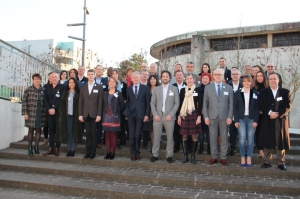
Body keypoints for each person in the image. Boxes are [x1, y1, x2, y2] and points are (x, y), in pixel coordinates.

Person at [258, 73, 291, 171]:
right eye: (270, 79)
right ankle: (267, 161)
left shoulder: (285, 92)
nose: (272, 80)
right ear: (268, 81)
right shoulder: (263, 92)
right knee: (268, 140)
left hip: (280, 120)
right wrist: (270, 112)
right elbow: (261, 104)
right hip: (267, 119)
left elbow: (288, 105)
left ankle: (281, 162)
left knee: (280, 141)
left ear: (278, 80)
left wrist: (278, 114)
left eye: (274, 79)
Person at [203, 69, 233, 166]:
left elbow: (231, 104)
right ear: (213, 75)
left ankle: (223, 158)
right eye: (216, 74)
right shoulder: (208, 88)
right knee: (212, 137)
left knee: (224, 137)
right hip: (212, 116)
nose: (218, 76)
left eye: (220, 74)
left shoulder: (228, 87)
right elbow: (205, 104)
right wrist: (206, 117)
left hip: (224, 117)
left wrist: (230, 117)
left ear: (223, 75)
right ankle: (214, 157)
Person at [150, 70, 179, 163]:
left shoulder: (174, 89)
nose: (165, 78)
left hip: (169, 117)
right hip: (158, 117)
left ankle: (169, 155)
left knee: (170, 137)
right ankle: (155, 154)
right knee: (156, 137)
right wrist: (155, 115)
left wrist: (171, 115)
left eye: (167, 76)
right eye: (163, 76)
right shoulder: (156, 89)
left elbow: (177, 103)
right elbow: (152, 103)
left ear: (169, 78)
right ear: (161, 78)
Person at [123, 71, 150, 161]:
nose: (136, 79)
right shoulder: (128, 89)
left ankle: (137, 151)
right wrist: (127, 112)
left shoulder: (145, 88)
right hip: (131, 115)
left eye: (137, 77)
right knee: (131, 135)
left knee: (137, 134)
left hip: (141, 114)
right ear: (131, 78)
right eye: (134, 77)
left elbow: (147, 103)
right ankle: (132, 153)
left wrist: (146, 115)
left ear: (140, 78)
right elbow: (128, 102)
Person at [233, 75, 259, 167]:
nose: (247, 83)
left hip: (251, 119)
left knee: (251, 139)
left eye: (248, 81)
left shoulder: (255, 93)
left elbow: (257, 108)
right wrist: (235, 120)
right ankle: (243, 157)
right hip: (241, 118)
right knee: (242, 139)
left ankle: (249, 157)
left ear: (251, 82)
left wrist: (256, 120)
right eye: (245, 81)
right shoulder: (237, 93)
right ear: (242, 82)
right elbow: (235, 108)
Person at [78, 69, 103, 159]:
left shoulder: (99, 87)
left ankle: (93, 152)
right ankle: (88, 152)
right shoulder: (83, 87)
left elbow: (100, 102)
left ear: (94, 75)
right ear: (87, 75)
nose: (91, 76)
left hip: (95, 115)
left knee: (93, 133)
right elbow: (81, 101)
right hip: (85, 114)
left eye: (92, 74)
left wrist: (99, 115)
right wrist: (80, 114)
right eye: (89, 74)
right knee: (87, 133)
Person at [177, 74, 202, 164]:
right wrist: (179, 116)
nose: (189, 80)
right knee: (184, 135)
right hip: (184, 114)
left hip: (194, 114)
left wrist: (199, 116)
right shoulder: (183, 90)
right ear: (185, 80)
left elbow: (200, 104)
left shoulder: (198, 90)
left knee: (194, 135)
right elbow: (180, 104)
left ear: (194, 80)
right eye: (187, 79)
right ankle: (185, 156)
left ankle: (193, 156)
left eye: (191, 78)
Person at [55, 77, 83, 157]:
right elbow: (61, 104)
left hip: (75, 117)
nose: (71, 84)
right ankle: (68, 149)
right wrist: (61, 112)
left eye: (73, 82)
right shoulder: (65, 92)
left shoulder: (79, 93)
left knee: (74, 133)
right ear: (68, 84)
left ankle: (72, 149)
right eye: (70, 82)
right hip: (66, 116)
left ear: (75, 84)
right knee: (68, 133)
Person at [22, 73, 47, 155]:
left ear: (40, 80)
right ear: (33, 80)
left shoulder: (43, 90)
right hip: (31, 113)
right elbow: (24, 102)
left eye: (38, 79)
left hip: (41, 113)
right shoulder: (28, 89)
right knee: (31, 130)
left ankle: (36, 147)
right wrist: (25, 113)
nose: (37, 81)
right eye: (35, 79)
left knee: (39, 130)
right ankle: (29, 147)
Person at [43, 72, 66, 156]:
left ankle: (57, 148)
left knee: (57, 130)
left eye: (55, 77)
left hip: (58, 112)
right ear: (50, 78)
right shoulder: (47, 87)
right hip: (49, 112)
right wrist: (49, 108)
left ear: (58, 78)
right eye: (52, 77)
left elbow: (62, 100)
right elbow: (45, 99)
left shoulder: (62, 87)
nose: (54, 78)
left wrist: (54, 108)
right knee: (51, 130)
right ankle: (51, 148)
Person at [102, 77, 125, 160]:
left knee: (113, 134)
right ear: (108, 83)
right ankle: (108, 152)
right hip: (106, 116)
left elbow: (122, 105)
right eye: (110, 82)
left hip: (115, 117)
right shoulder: (104, 93)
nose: (111, 83)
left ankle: (112, 152)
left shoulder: (119, 94)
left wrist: (117, 111)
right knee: (107, 134)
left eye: (113, 82)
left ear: (116, 84)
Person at [142, 75, 160, 151]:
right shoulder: (146, 89)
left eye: (154, 79)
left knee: (154, 130)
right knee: (146, 129)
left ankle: (154, 147)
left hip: (157, 112)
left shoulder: (160, 89)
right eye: (151, 79)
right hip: (147, 111)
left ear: (156, 80)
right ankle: (145, 145)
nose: (152, 80)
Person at [227, 69, 243, 156]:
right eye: (233, 74)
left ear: (240, 75)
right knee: (232, 132)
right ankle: (232, 149)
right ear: (231, 75)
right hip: (231, 112)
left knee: (242, 133)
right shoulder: (228, 84)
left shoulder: (243, 84)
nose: (235, 75)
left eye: (237, 74)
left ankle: (242, 149)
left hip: (241, 112)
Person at [253, 71, 269, 158]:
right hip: (257, 114)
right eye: (257, 76)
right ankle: (260, 152)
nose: (259, 77)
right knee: (258, 133)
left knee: (265, 133)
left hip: (266, 114)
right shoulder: (254, 88)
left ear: (264, 77)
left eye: (261, 76)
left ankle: (266, 152)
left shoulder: (268, 88)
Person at [172, 70, 187, 153]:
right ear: (175, 77)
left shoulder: (187, 85)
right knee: (176, 129)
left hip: (185, 111)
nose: (179, 76)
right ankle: (176, 146)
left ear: (183, 76)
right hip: (175, 111)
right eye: (177, 75)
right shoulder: (172, 86)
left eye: (180, 75)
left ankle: (186, 147)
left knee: (185, 129)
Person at [112, 69, 127, 148]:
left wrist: (124, 101)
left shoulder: (123, 84)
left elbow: (126, 95)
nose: (115, 75)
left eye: (116, 73)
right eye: (113, 74)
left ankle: (121, 140)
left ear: (118, 75)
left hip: (121, 108)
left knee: (121, 124)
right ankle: (114, 141)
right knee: (114, 125)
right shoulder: (110, 84)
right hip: (112, 108)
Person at [95, 65, 108, 149]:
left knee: (99, 124)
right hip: (92, 105)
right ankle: (92, 141)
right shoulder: (92, 79)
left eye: (101, 69)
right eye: (98, 69)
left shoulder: (105, 80)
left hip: (102, 105)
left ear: (103, 71)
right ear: (95, 70)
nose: (99, 71)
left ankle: (98, 141)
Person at [198, 73, 211, 154]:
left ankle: (209, 148)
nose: (205, 80)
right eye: (203, 78)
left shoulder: (212, 89)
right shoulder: (198, 89)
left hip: (210, 113)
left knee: (209, 131)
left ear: (209, 79)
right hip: (200, 113)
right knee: (201, 131)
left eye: (206, 78)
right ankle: (201, 147)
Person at [41, 72, 52, 146]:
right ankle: (45, 139)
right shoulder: (45, 86)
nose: (51, 78)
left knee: (52, 126)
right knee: (46, 125)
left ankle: (52, 140)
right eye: (50, 77)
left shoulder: (58, 86)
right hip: (46, 109)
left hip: (54, 109)